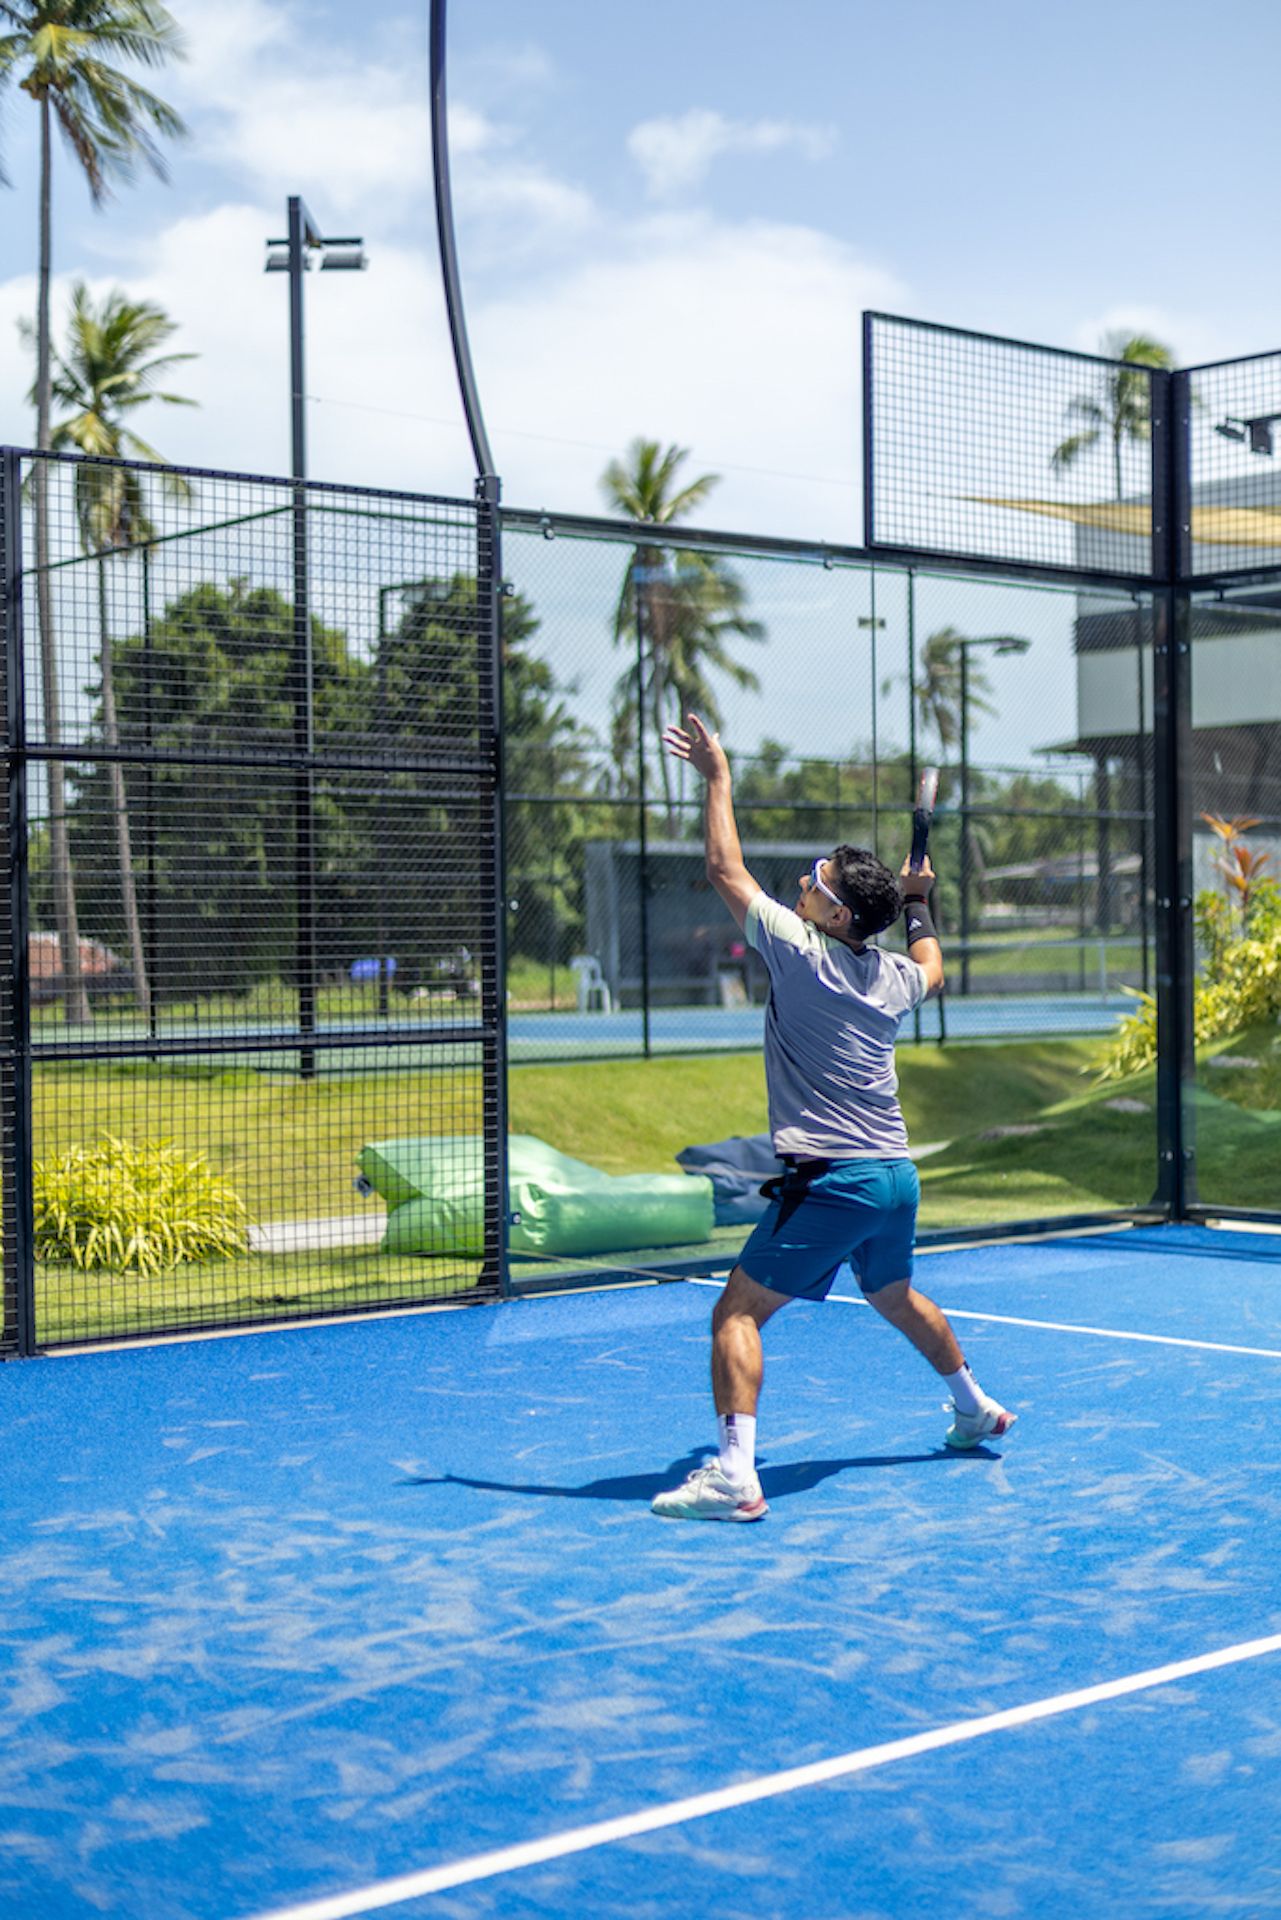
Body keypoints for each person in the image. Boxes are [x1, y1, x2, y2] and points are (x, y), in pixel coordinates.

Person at [652, 714, 1016, 1524]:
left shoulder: (798, 949)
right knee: (892, 1293)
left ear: (838, 915)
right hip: (893, 1177)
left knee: (735, 1312)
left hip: (835, 1180)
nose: (803, 882)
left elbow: (723, 867)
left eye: (816, 881)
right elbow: (932, 964)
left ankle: (734, 1477)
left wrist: (718, 778)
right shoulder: (889, 976)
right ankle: (974, 1407)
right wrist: (918, 905)